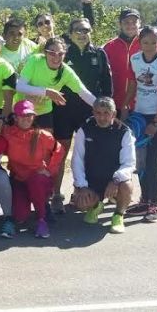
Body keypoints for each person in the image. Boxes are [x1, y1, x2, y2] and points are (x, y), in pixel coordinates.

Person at [49, 18, 112, 214]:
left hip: (89, 111)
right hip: (63, 111)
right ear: (70, 32)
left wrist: (106, 108)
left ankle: (83, 193)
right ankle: (56, 195)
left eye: (86, 30)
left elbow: (106, 84)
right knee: (60, 154)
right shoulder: (63, 53)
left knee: (88, 154)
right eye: (77, 30)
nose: (82, 34)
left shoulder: (99, 53)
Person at [121, 26, 157, 223]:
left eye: (154, 42)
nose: (150, 46)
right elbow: (133, 85)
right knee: (141, 162)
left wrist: (156, 122)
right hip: (138, 116)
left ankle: (155, 204)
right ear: (139, 43)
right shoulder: (134, 59)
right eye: (145, 42)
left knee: (153, 162)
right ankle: (144, 201)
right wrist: (125, 107)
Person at [71, 97, 135, 234]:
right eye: (98, 113)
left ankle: (118, 215)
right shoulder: (84, 130)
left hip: (114, 182)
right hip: (92, 180)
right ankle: (96, 206)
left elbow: (129, 163)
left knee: (127, 184)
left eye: (106, 113)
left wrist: (116, 180)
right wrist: (81, 186)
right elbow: (77, 160)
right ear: (93, 113)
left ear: (113, 114)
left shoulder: (124, 132)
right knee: (80, 203)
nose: (102, 117)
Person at [2, 100, 64, 239]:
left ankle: (42, 219)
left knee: (36, 181)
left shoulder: (42, 135)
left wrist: (49, 170)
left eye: (30, 115)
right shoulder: (7, 134)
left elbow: (59, 150)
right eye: (23, 115)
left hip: (38, 180)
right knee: (20, 216)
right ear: (15, 117)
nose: (26, 119)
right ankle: (39, 204)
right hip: (18, 179)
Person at [14, 37, 96, 130]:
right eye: (52, 53)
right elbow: (20, 87)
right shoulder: (35, 60)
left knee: (46, 143)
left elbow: (84, 93)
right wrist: (47, 92)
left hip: (44, 114)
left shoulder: (67, 72)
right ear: (45, 53)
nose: (56, 57)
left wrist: (103, 108)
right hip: (22, 112)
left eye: (60, 54)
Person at [103, 8, 142, 111]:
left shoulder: (149, 45)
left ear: (140, 23)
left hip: (141, 105)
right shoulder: (109, 46)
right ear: (120, 24)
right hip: (116, 105)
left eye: (134, 22)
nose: (130, 25)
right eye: (126, 22)